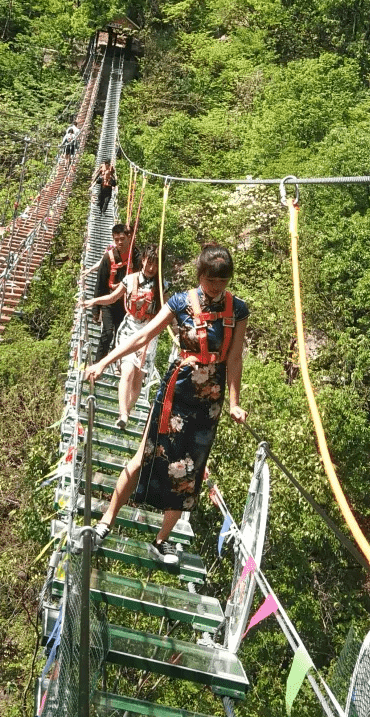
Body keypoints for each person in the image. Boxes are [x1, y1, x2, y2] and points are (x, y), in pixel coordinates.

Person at [84, 243, 249, 569]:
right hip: (177, 391)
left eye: (223, 281)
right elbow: (144, 335)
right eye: (212, 280)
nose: (217, 287)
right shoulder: (180, 303)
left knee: (189, 471)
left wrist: (234, 403)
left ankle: (160, 540)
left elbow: (234, 358)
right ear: (201, 275)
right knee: (144, 454)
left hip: (209, 402)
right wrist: (105, 361)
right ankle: (105, 522)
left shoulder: (237, 310)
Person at [81, 245, 161, 429]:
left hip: (149, 333)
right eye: (149, 263)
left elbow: (166, 311)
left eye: (155, 265)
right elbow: (112, 298)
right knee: (127, 371)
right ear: (143, 260)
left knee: (138, 377)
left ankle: (128, 409)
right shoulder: (130, 279)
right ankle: (123, 413)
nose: (151, 268)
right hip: (130, 328)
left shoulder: (161, 286)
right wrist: (94, 301)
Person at [84, 223, 139, 359]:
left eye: (122, 238)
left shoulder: (136, 257)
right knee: (107, 332)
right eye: (116, 239)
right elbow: (100, 283)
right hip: (109, 300)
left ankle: (115, 362)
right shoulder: (108, 257)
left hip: (126, 303)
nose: (119, 242)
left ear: (128, 237)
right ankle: (98, 362)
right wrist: (96, 310)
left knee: (120, 335)